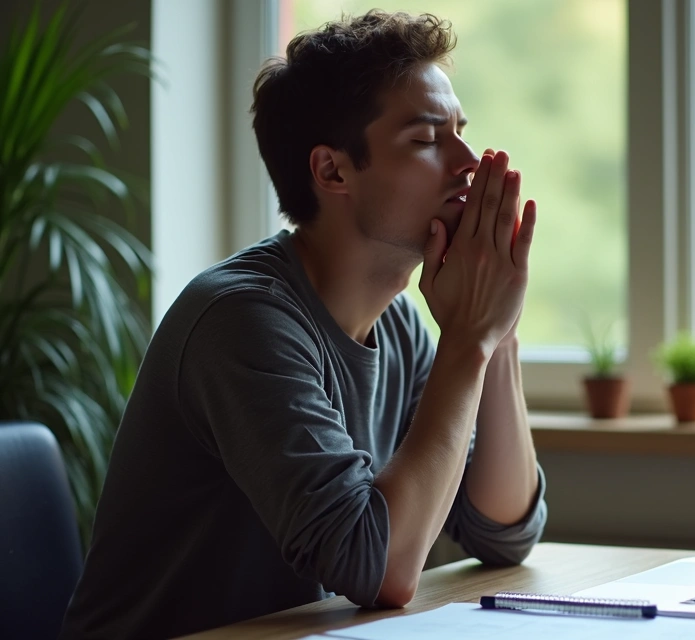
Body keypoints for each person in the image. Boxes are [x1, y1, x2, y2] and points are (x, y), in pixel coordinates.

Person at [60, 10, 546, 639]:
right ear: (333, 171)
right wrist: (469, 340)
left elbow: (502, 528)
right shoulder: (242, 320)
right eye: (427, 139)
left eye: (461, 131)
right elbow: (381, 570)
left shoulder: (397, 326)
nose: (468, 162)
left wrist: (497, 331)